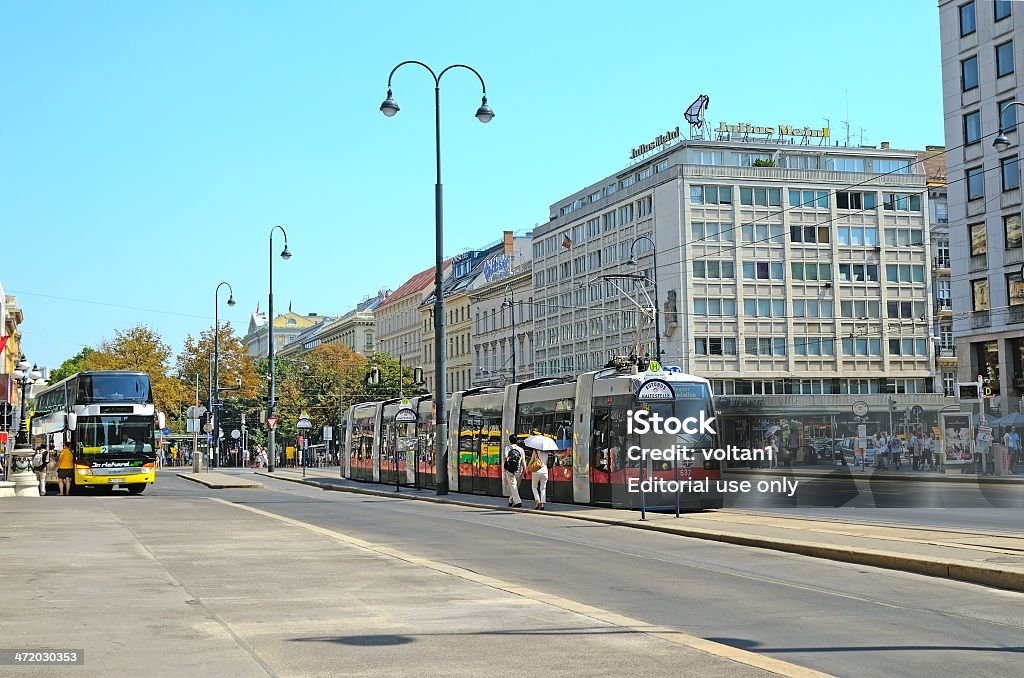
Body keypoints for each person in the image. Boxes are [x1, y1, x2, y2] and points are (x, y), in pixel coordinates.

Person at [526, 443, 550, 510]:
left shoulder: (535, 451)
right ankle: (542, 504)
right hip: (545, 471)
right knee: (543, 488)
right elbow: (546, 462)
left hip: (536, 471)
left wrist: (527, 469)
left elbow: (531, 461)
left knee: (534, 487)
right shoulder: (546, 452)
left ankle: (537, 501)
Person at [502, 435, 524, 508]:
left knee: (513, 486)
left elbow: (505, 457)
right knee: (514, 486)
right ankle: (511, 501)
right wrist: (525, 470)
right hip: (519, 470)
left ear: (510, 441)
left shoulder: (508, 448)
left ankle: (518, 502)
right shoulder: (521, 449)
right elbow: (523, 461)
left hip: (510, 470)